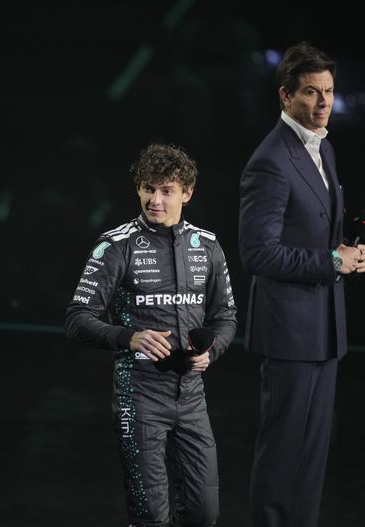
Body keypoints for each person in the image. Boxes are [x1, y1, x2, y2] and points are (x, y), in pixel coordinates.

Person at [66, 143, 237, 526]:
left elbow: (226, 316)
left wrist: (212, 352)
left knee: (204, 514)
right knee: (151, 517)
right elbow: (77, 318)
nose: (154, 200)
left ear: (187, 193)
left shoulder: (207, 246)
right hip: (139, 397)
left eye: (166, 191)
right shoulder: (116, 245)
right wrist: (129, 337)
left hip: (192, 399)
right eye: (148, 188)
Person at [239, 41, 365, 527]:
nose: (323, 102)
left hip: (323, 328)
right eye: (311, 92)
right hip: (290, 333)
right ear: (285, 95)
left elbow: (316, 232)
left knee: (311, 459)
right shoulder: (270, 161)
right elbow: (258, 253)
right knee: (283, 456)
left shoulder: (324, 148)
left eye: (329, 91)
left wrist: (348, 253)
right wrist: (331, 261)